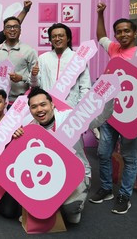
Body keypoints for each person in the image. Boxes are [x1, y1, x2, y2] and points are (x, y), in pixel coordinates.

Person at [88, 2, 137, 215]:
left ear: (134, 33)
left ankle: (124, 195)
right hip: (110, 111)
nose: (122, 34)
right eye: (119, 32)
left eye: (126, 31)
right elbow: (101, 37)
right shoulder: (114, 49)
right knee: (103, 152)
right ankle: (106, 188)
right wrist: (100, 14)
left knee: (129, 156)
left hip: (131, 115)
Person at [13, 87, 90, 224]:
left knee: (71, 215)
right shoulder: (28, 126)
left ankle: (71, 205)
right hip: (47, 174)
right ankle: (53, 204)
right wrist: (17, 140)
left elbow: (96, 119)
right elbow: (21, 159)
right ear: (30, 110)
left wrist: (108, 100)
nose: (39, 110)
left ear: (52, 105)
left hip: (74, 173)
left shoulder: (69, 117)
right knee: (39, 210)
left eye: (43, 105)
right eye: (34, 107)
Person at [30, 23, 92, 180]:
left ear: (68, 38)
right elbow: (37, 87)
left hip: (70, 113)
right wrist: (34, 76)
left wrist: (79, 111)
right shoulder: (43, 58)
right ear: (50, 39)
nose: (57, 38)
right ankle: (55, 181)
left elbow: (85, 87)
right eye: (54, 36)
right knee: (49, 149)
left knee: (74, 148)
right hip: (49, 112)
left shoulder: (78, 59)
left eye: (61, 35)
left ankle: (84, 180)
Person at [0, 16, 38, 106]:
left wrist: (21, 78)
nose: (12, 29)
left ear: (20, 30)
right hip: (0, 102)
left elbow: (36, 78)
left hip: (21, 102)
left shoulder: (29, 51)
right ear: (4, 31)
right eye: (8, 27)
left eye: (15, 27)